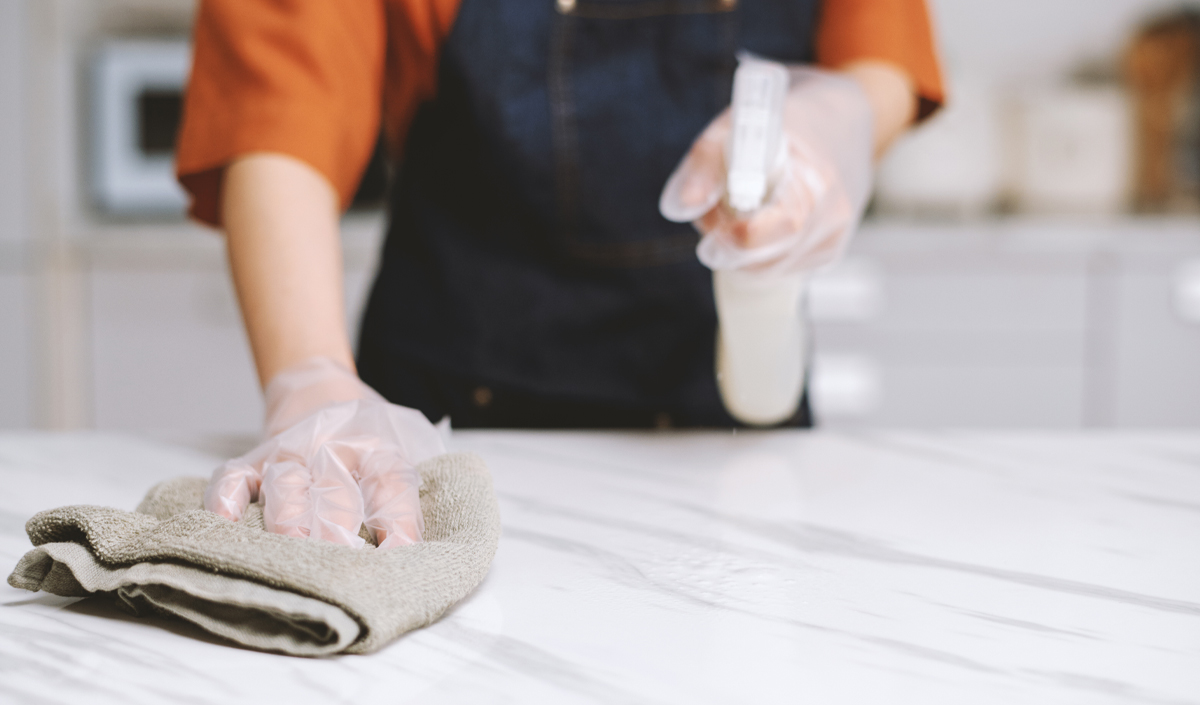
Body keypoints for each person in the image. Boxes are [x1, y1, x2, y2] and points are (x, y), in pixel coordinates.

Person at [177, 0, 944, 547]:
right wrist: (308, 374)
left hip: (734, 442)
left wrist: (837, 117)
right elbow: (280, 107)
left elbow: (878, 47)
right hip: (438, 434)